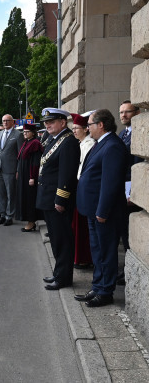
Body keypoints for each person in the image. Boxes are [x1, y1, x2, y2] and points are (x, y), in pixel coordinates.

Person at [75, 109, 127, 307]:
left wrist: (102, 211)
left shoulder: (112, 145)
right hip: (93, 210)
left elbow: (110, 183)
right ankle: (97, 286)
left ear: (101, 125)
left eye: (89, 124)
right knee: (97, 251)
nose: (87, 128)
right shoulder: (101, 143)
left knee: (106, 252)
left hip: (103, 212)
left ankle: (106, 291)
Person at [36, 108, 80, 291]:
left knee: (62, 240)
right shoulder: (55, 139)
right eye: (46, 122)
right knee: (55, 239)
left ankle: (63, 278)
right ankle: (58, 272)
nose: (47, 125)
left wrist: (61, 199)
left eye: (51, 121)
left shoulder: (68, 142)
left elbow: (67, 174)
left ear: (63, 122)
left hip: (57, 200)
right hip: (48, 197)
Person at [117, 100, 143, 285]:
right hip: (122, 189)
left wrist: (132, 192)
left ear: (138, 112)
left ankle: (130, 272)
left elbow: (137, 166)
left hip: (131, 191)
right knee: (124, 232)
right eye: (121, 112)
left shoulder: (140, 134)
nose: (123, 115)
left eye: (128, 112)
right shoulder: (123, 133)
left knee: (130, 232)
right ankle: (126, 269)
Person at [0, 114, 24, 226]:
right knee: (0, 193)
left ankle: (9, 216)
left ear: (13, 122)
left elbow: (20, 155)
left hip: (10, 169)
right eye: (3, 121)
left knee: (10, 194)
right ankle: (3, 214)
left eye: (7, 120)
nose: (5, 123)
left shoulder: (18, 135)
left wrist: (18, 170)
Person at [70, 112, 95, 269]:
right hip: (77, 186)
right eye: (72, 128)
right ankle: (78, 256)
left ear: (86, 129)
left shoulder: (89, 144)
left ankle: (84, 258)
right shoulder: (80, 143)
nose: (74, 131)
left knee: (82, 227)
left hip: (83, 187)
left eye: (76, 128)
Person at [15, 123, 43, 232]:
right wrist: (18, 171)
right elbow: (20, 159)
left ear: (33, 133)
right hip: (23, 174)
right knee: (24, 198)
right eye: (24, 132)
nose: (25, 134)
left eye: (27, 132)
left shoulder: (35, 143)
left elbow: (35, 162)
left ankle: (31, 222)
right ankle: (28, 220)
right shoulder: (26, 142)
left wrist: (32, 177)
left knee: (30, 199)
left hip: (29, 175)